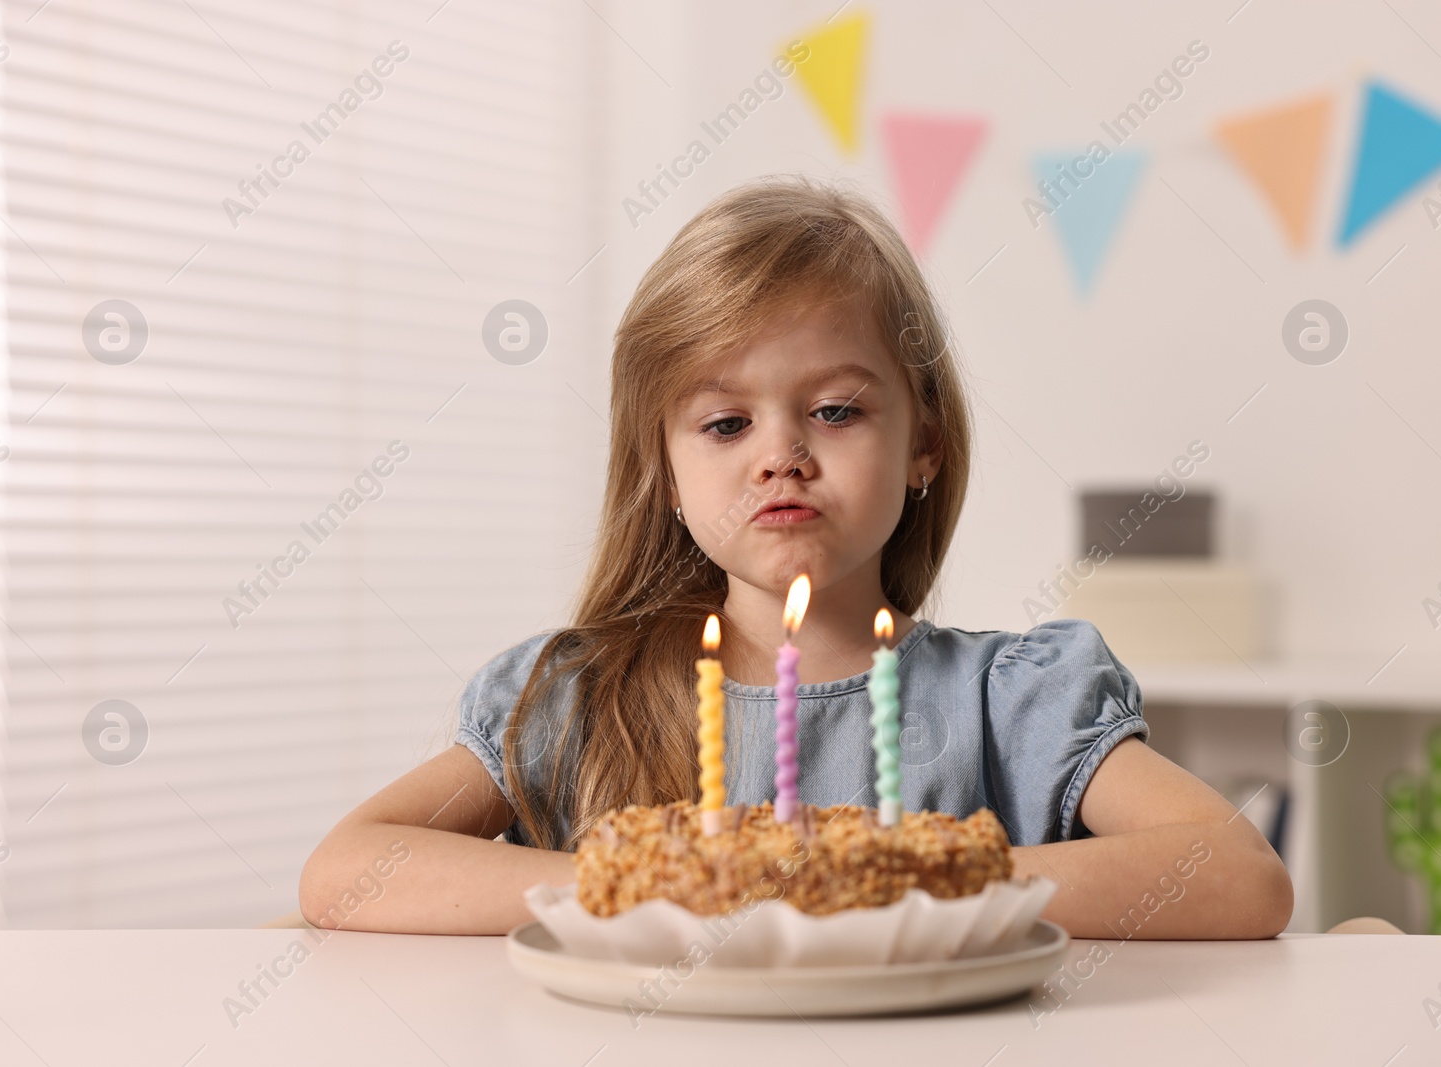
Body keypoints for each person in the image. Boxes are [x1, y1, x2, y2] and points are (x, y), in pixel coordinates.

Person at [300, 174, 1293, 939]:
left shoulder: (1009, 700)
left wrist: (904, 880)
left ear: (923, 443)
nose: (779, 454)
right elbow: (346, 868)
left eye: (834, 410)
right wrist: (661, 883)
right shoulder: (576, 696)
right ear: (665, 468)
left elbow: (1240, 875)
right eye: (725, 421)